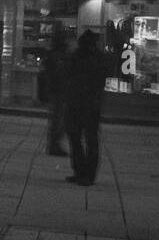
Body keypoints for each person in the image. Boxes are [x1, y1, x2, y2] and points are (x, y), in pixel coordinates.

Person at [64, 29, 110, 186]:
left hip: (79, 103)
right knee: (89, 139)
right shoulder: (99, 57)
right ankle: (87, 174)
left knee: (77, 138)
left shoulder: (79, 56)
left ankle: (81, 172)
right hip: (90, 104)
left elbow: (69, 76)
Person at [38, 31, 70, 156]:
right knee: (59, 119)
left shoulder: (52, 55)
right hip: (59, 90)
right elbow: (61, 72)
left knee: (57, 119)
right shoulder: (59, 56)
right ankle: (54, 145)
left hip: (55, 90)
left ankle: (53, 144)